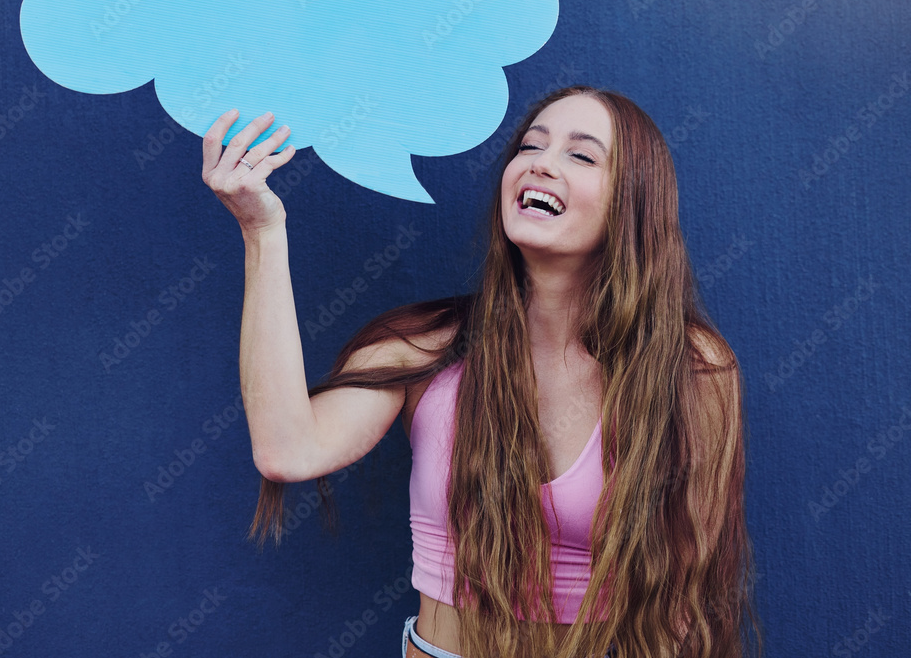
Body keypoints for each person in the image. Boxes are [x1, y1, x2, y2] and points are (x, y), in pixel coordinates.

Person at [201, 86, 763, 658]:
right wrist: (261, 231)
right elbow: (287, 450)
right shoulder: (425, 346)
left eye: (582, 155)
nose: (541, 162)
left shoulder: (691, 368)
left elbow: (682, 599)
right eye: (530, 146)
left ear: (634, 201)